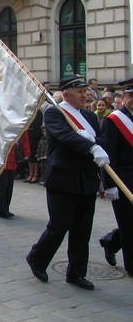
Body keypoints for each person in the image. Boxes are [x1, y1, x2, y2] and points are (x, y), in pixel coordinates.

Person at [26, 75, 109, 290]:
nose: (86, 95)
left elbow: (101, 139)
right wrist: (88, 145)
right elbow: (64, 136)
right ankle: (37, 258)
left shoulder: (89, 116)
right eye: (80, 92)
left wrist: (94, 143)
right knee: (59, 226)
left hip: (86, 180)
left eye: (86, 91)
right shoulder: (56, 112)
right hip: (63, 179)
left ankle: (76, 273)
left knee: (83, 229)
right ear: (67, 94)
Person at [99, 78, 133, 275]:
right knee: (128, 223)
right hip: (124, 179)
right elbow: (108, 156)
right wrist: (109, 186)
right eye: (131, 96)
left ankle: (111, 243)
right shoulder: (114, 120)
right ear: (124, 97)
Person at [0, 133, 31, 219]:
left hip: (11, 156)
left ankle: (4, 208)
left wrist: (26, 151)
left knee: (8, 186)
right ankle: (2, 209)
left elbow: (24, 133)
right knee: (2, 186)